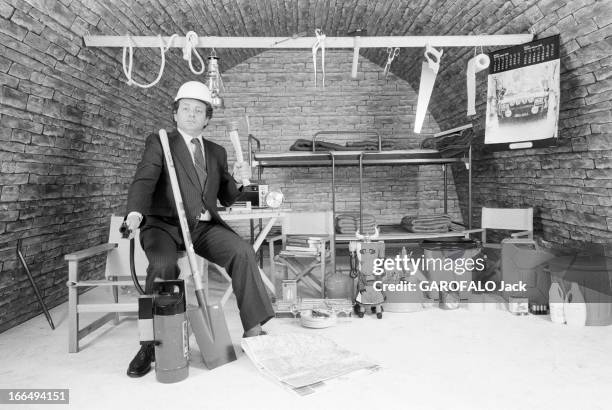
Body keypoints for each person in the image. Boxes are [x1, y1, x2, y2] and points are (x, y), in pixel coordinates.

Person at [123, 81, 274, 377]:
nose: (192, 114)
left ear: (207, 118)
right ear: (176, 113)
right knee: (164, 265)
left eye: (199, 110)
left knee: (242, 252)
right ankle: (150, 345)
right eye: (186, 109)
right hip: (164, 225)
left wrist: (243, 181)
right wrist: (135, 211)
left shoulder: (216, 152)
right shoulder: (160, 141)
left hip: (203, 226)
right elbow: (144, 178)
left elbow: (228, 197)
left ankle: (254, 331)